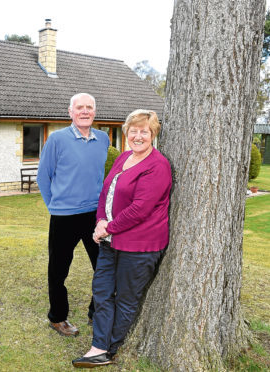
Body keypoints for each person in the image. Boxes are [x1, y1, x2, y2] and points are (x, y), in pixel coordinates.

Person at [72, 109, 172, 367]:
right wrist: (99, 224)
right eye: (134, 131)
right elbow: (105, 193)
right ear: (127, 132)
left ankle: (107, 348)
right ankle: (99, 344)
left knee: (126, 299)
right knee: (102, 292)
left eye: (144, 132)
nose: (138, 136)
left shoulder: (157, 165)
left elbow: (141, 208)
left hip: (140, 246)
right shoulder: (124, 157)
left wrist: (109, 227)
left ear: (153, 134)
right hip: (109, 241)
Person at [37, 93, 110, 337]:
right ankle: (57, 318)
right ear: (71, 112)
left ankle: (96, 311)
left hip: (95, 217)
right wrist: (54, 206)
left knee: (104, 267)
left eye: (89, 107)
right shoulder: (56, 139)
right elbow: (43, 177)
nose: (85, 111)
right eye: (80, 107)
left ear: (95, 112)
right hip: (64, 217)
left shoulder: (103, 139)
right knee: (58, 271)